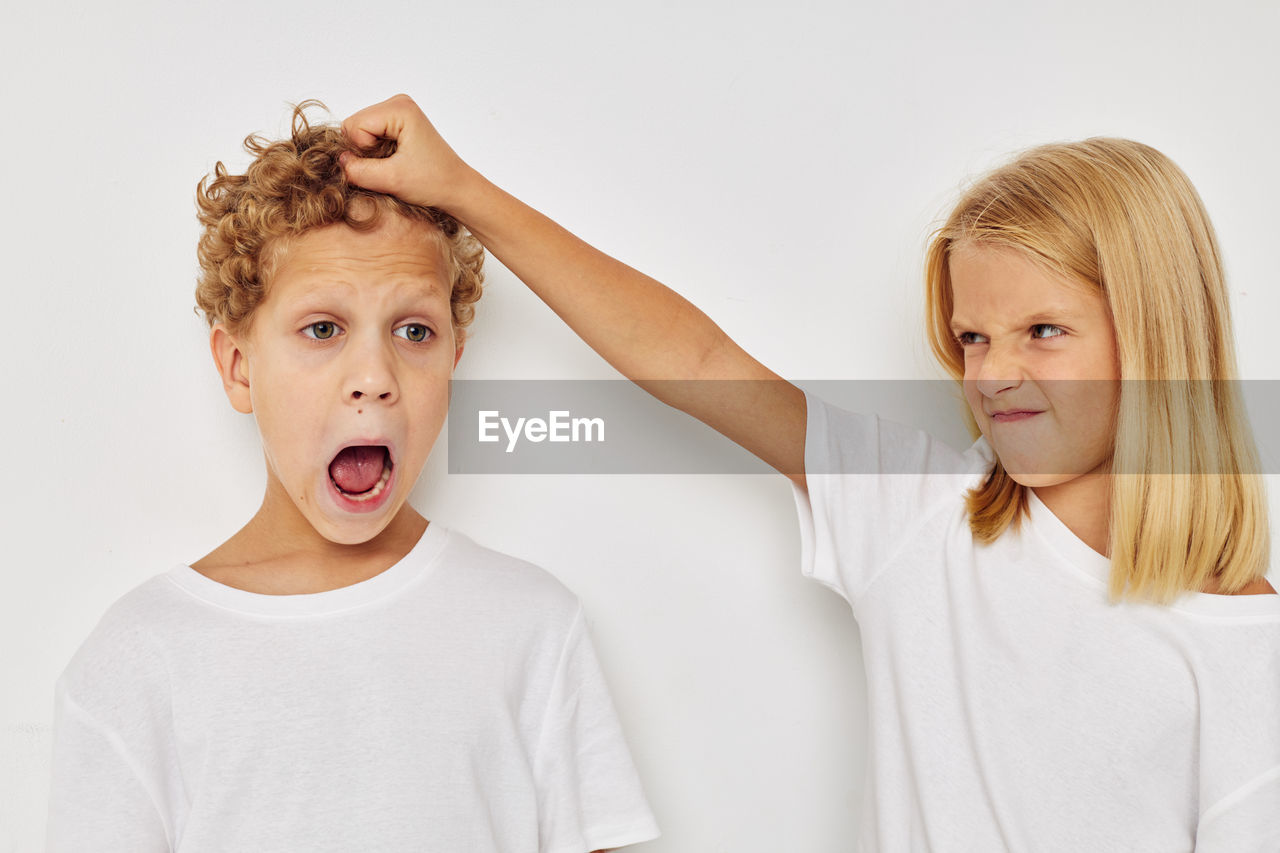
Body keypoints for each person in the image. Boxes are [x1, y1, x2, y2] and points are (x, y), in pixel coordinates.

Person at [338, 94, 1280, 850]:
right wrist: (460, 191)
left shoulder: (1249, 653)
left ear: (1158, 340)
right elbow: (699, 362)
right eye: (971, 337)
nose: (991, 373)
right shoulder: (922, 518)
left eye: (1043, 331)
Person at [45, 102, 659, 853]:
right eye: (323, 328)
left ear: (454, 364)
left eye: (414, 331)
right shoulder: (137, 661)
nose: (374, 376)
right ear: (239, 367)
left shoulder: (531, 625)